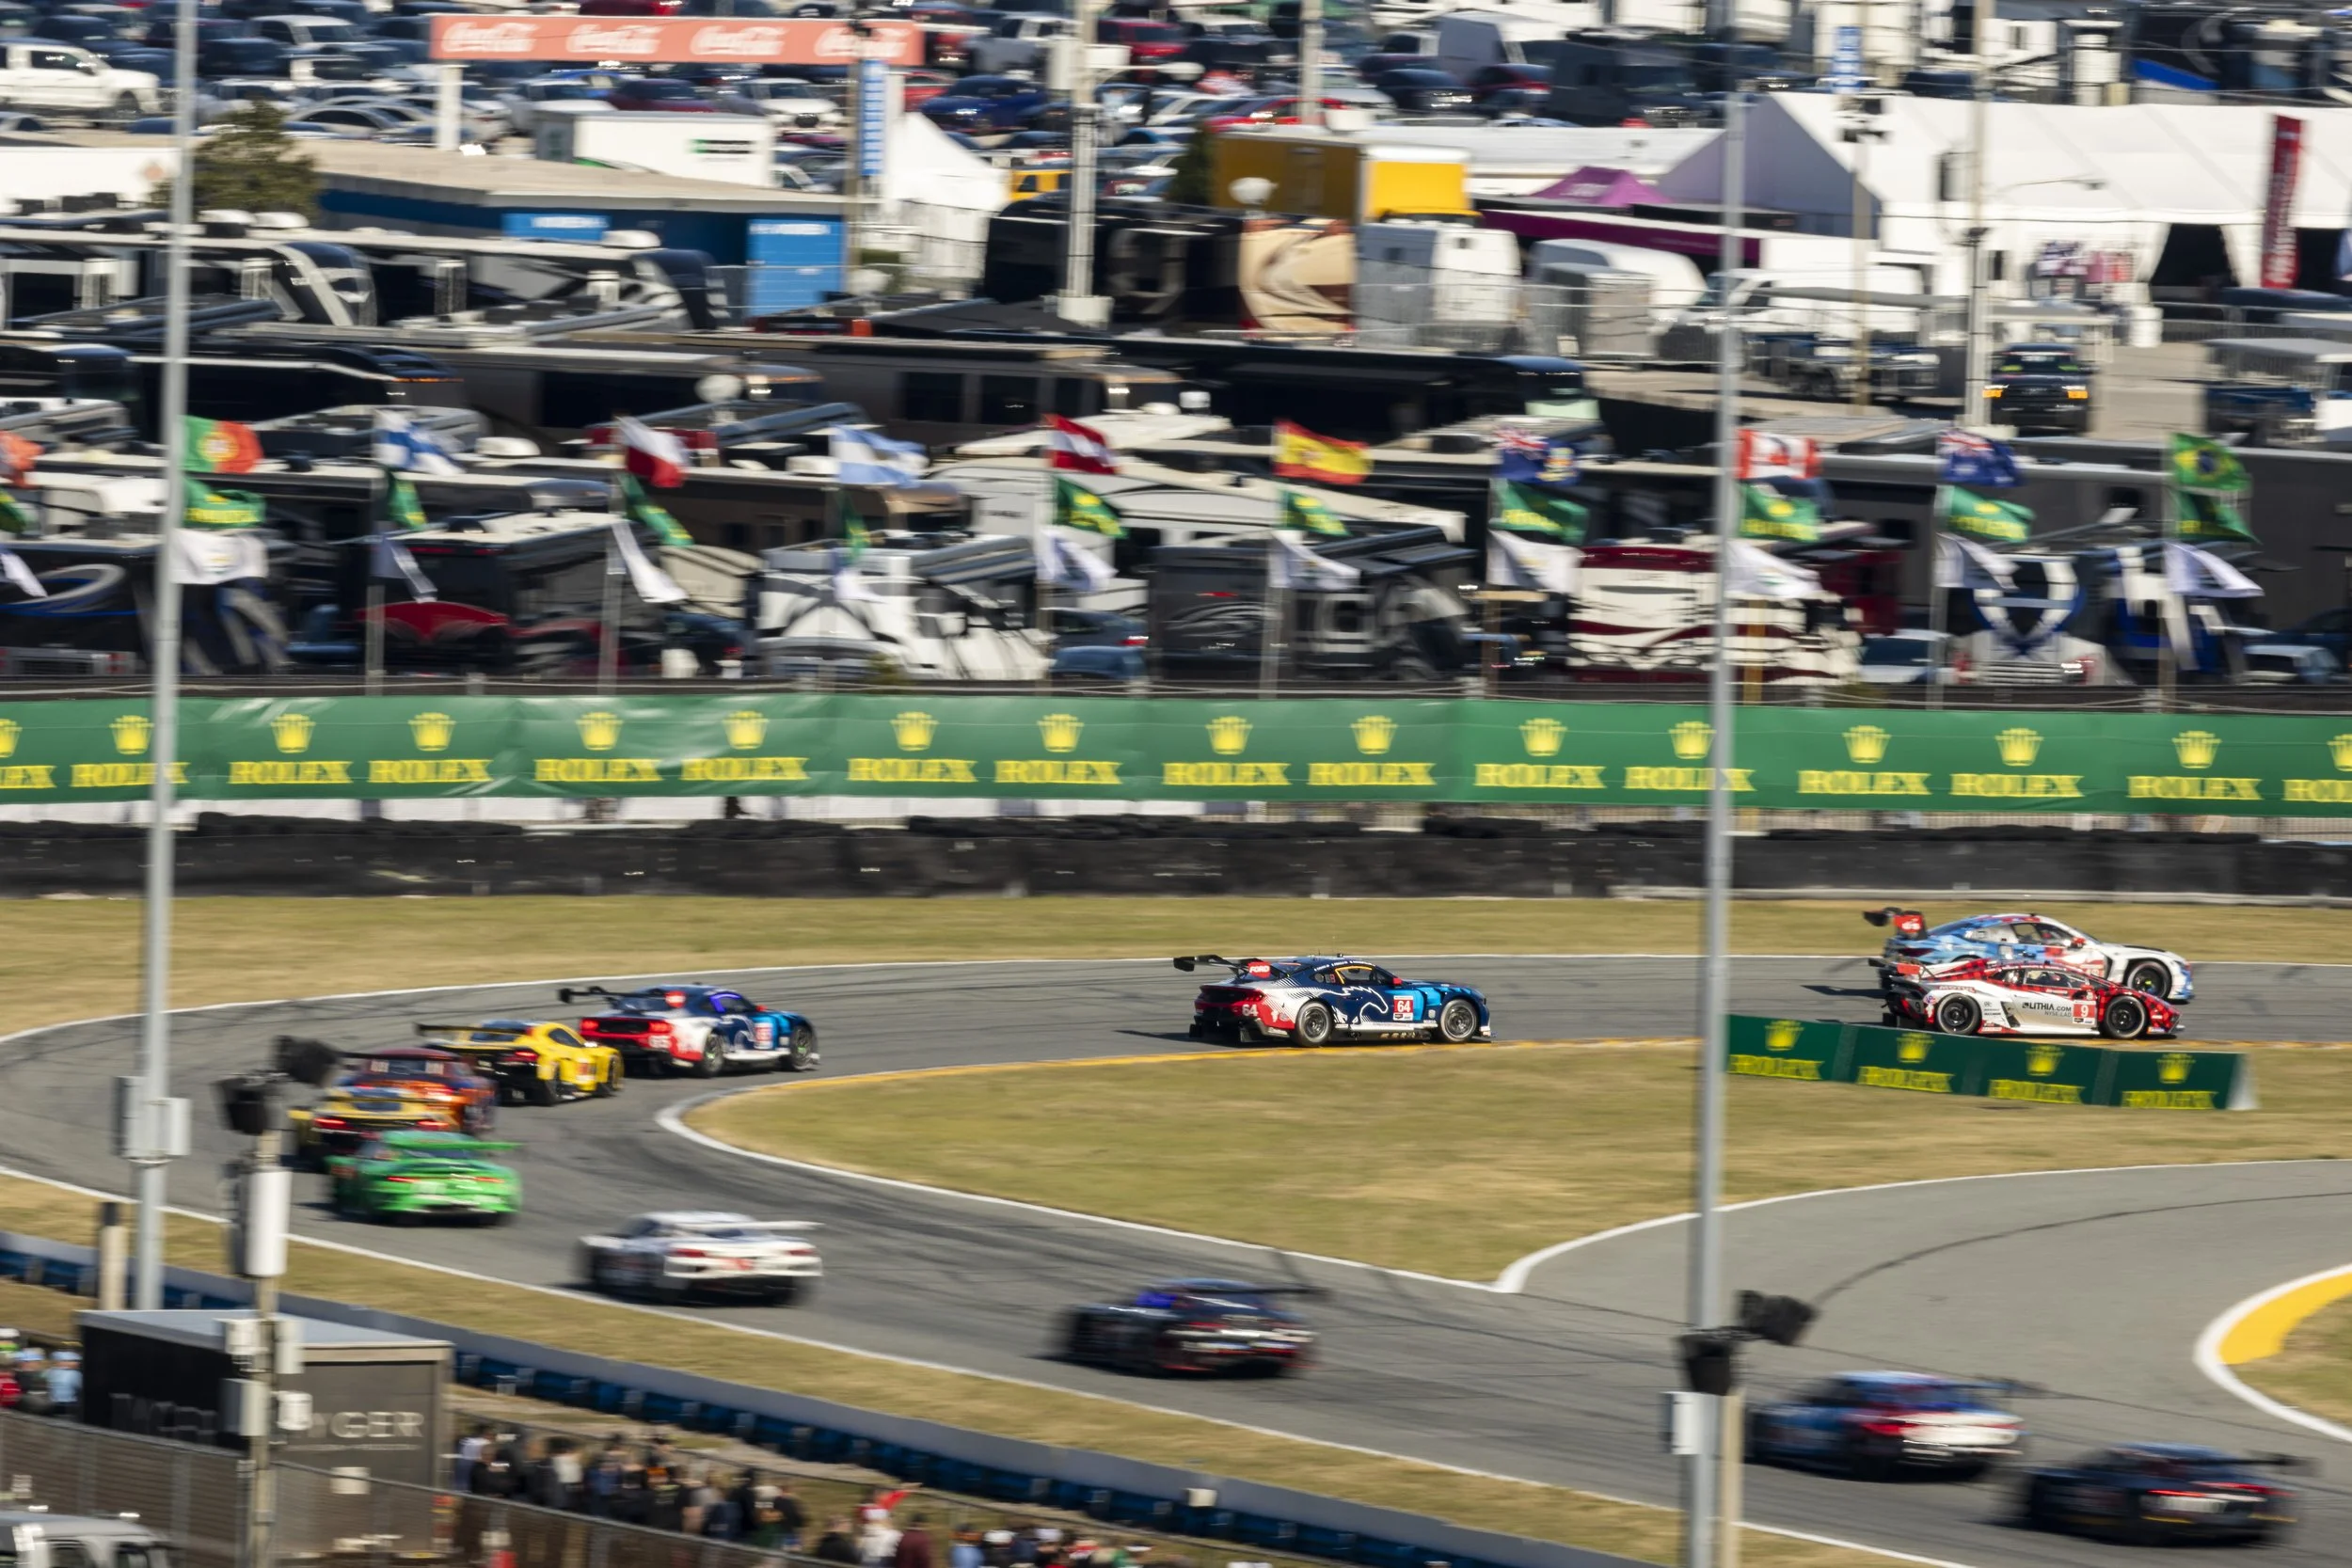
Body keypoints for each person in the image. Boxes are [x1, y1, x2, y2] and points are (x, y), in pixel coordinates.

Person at [454, 1424, 492, 1493]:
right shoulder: (485, 1442)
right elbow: (487, 1458)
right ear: (484, 1433)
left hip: (462, 1466)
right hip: (475, 1468)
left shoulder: (465, 1440)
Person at [42, 1350, 78, 1418]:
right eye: (65, 1361)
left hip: (67, 1404)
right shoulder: (50, 1372)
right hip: (56, 1404)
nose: (73, 1363)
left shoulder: (75, 1373)